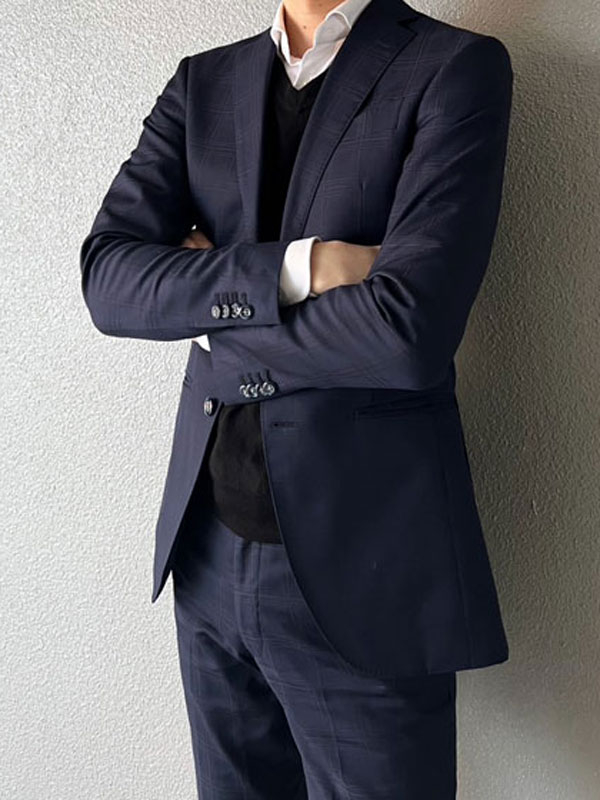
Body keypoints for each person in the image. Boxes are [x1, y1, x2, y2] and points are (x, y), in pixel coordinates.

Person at [79, 0, 514, 796]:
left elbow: (407, 333)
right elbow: (109, 283)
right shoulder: (202, 83)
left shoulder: (455, 69)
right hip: (206, 554)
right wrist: (302, 270)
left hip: (365, 565)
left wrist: (209, 316)